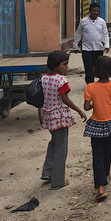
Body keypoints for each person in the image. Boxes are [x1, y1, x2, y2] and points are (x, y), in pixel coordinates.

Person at [40, 51, 87, 190]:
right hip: (60, 117)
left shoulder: (43, 78)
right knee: (61, 148)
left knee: (53, 143)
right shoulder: (61, 80)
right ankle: (58, 180)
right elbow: (65, 99)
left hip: (49, 116)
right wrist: (79, 110)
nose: (66, 67)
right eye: (64, 64)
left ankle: (47, 172)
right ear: (55, 66)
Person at [83, 56, 111, 199]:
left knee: (97, 154)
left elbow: (86, 107)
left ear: (95, 70)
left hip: (95, 124)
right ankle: (106, 175)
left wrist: (96, 104)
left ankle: (100, 187)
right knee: (108, 151)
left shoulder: (90, 87)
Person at [74, 3, 110, 85]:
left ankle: (100, 84)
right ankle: (90, 84)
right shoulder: (83, 21)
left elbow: (105, 34)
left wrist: (107, 45)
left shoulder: (102, 22)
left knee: (99, 67)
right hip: (87, 49)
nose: (96, 13)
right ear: (89, 11)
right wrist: (75, 46)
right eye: (94, 11)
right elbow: (78, 34)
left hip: (98, 49)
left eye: (97, 11)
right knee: (88, 68)